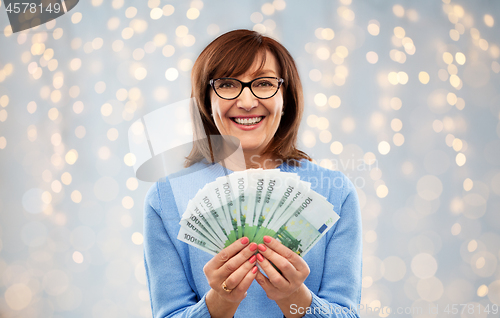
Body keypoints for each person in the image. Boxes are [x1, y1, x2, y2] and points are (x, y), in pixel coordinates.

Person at [143, 29, 362, 318]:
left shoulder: (335, 191)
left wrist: (295, 298)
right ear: (207, 101)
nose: (247, 102)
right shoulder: (165, 198)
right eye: (228, 84)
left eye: (263, 83)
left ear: (286, 98)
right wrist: (220, 302)